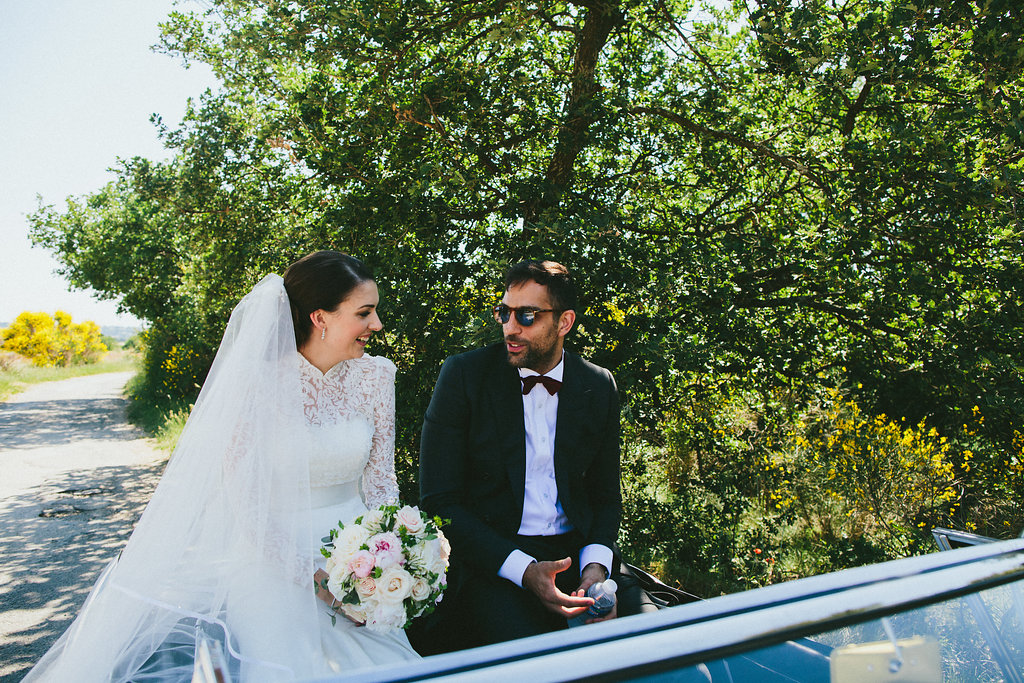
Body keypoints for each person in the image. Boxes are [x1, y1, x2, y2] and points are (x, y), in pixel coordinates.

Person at [24, 251, 421, 682]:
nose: (377, 324)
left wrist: (390, 553)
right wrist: (319, 581)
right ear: (320, 317)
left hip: (358, 557)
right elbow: (245, 500)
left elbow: (381, 481)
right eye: (364, 312)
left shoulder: (376, 376)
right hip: (272, 559)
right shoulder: (256, 384)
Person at [410, 259, 655, 654]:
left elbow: (606, 497)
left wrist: (596, 571)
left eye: (527, 315)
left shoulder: (597, 385)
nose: (510, 326)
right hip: (496, 564)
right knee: (543, 665)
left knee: (672, 655)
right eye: (504, 312)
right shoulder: (464, 376)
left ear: (564, 321)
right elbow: (439, 500)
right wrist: (524, 571)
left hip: (581, 558)